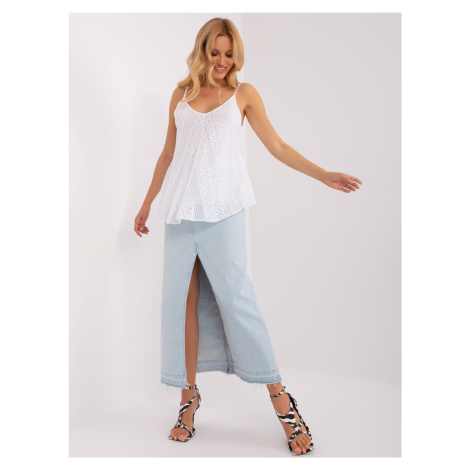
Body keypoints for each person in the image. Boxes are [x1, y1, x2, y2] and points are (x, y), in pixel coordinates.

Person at [134, 18, 362, 456]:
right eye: (214, 52)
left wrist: (323, 175)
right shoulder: (180, 95)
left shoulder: (243, 94)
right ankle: (187, 400)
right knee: (180, 304)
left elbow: (277, 146)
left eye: (228, 54)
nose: (221, 61)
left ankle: (282, 400)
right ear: (201, 51)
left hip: (224, 211)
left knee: (238, 300)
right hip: (180, 214)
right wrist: (146, 204)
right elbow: (167, 154)